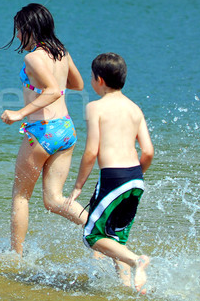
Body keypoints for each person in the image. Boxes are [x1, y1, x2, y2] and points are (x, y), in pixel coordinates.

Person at [0, 3, 87, 256]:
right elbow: (78, 84)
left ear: (29, 29)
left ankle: (15, 257)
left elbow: (53, 91)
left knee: (20, 197)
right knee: (54, 200)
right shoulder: (61, 52)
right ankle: (95, 226)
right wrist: (55, 79)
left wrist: (19, 113)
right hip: (66, 130)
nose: (17, 36)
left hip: (41, 131)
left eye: (19, 30)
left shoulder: (32, 57)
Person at [65, 52, 153, 293]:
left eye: (91, 77)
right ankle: (128, 287)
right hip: (135, 179)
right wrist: (135, 176)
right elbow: (148, 152)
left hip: (114, 178)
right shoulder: (135, 109)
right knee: (115, 239)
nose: (91, 81)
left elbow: (91, 151)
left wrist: (78, 187)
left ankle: (138, 261)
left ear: (99, 80)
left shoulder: (96, 107)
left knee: (91, 236)